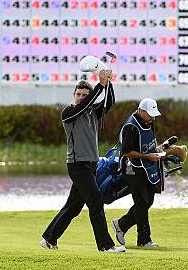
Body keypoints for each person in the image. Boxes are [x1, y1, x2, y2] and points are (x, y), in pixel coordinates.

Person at [41, 70, 125, 253]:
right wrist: (99, 85)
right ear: (74, 95)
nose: (81, 98)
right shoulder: (69, 113)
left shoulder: (93, 112)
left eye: (84, 95)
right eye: (78, 94)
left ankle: (49, 238)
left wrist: (108, 83)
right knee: (95, 201)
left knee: (73, 207)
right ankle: (106, 246)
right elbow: (82, 107)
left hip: (91, 165)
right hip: (77, 165)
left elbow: (108, 102)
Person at [111, 98, 163, 248]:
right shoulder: (130, 127)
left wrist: (156, 150)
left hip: (146, 167)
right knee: (141, 203)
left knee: (149, 201)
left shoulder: (149, 122)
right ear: (141, 111)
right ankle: (144, 240)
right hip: (131, 168)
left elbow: (150, 140)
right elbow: (127, 152)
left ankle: (121, 224)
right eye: (150, 114)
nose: (153, 118)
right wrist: (148, 156)